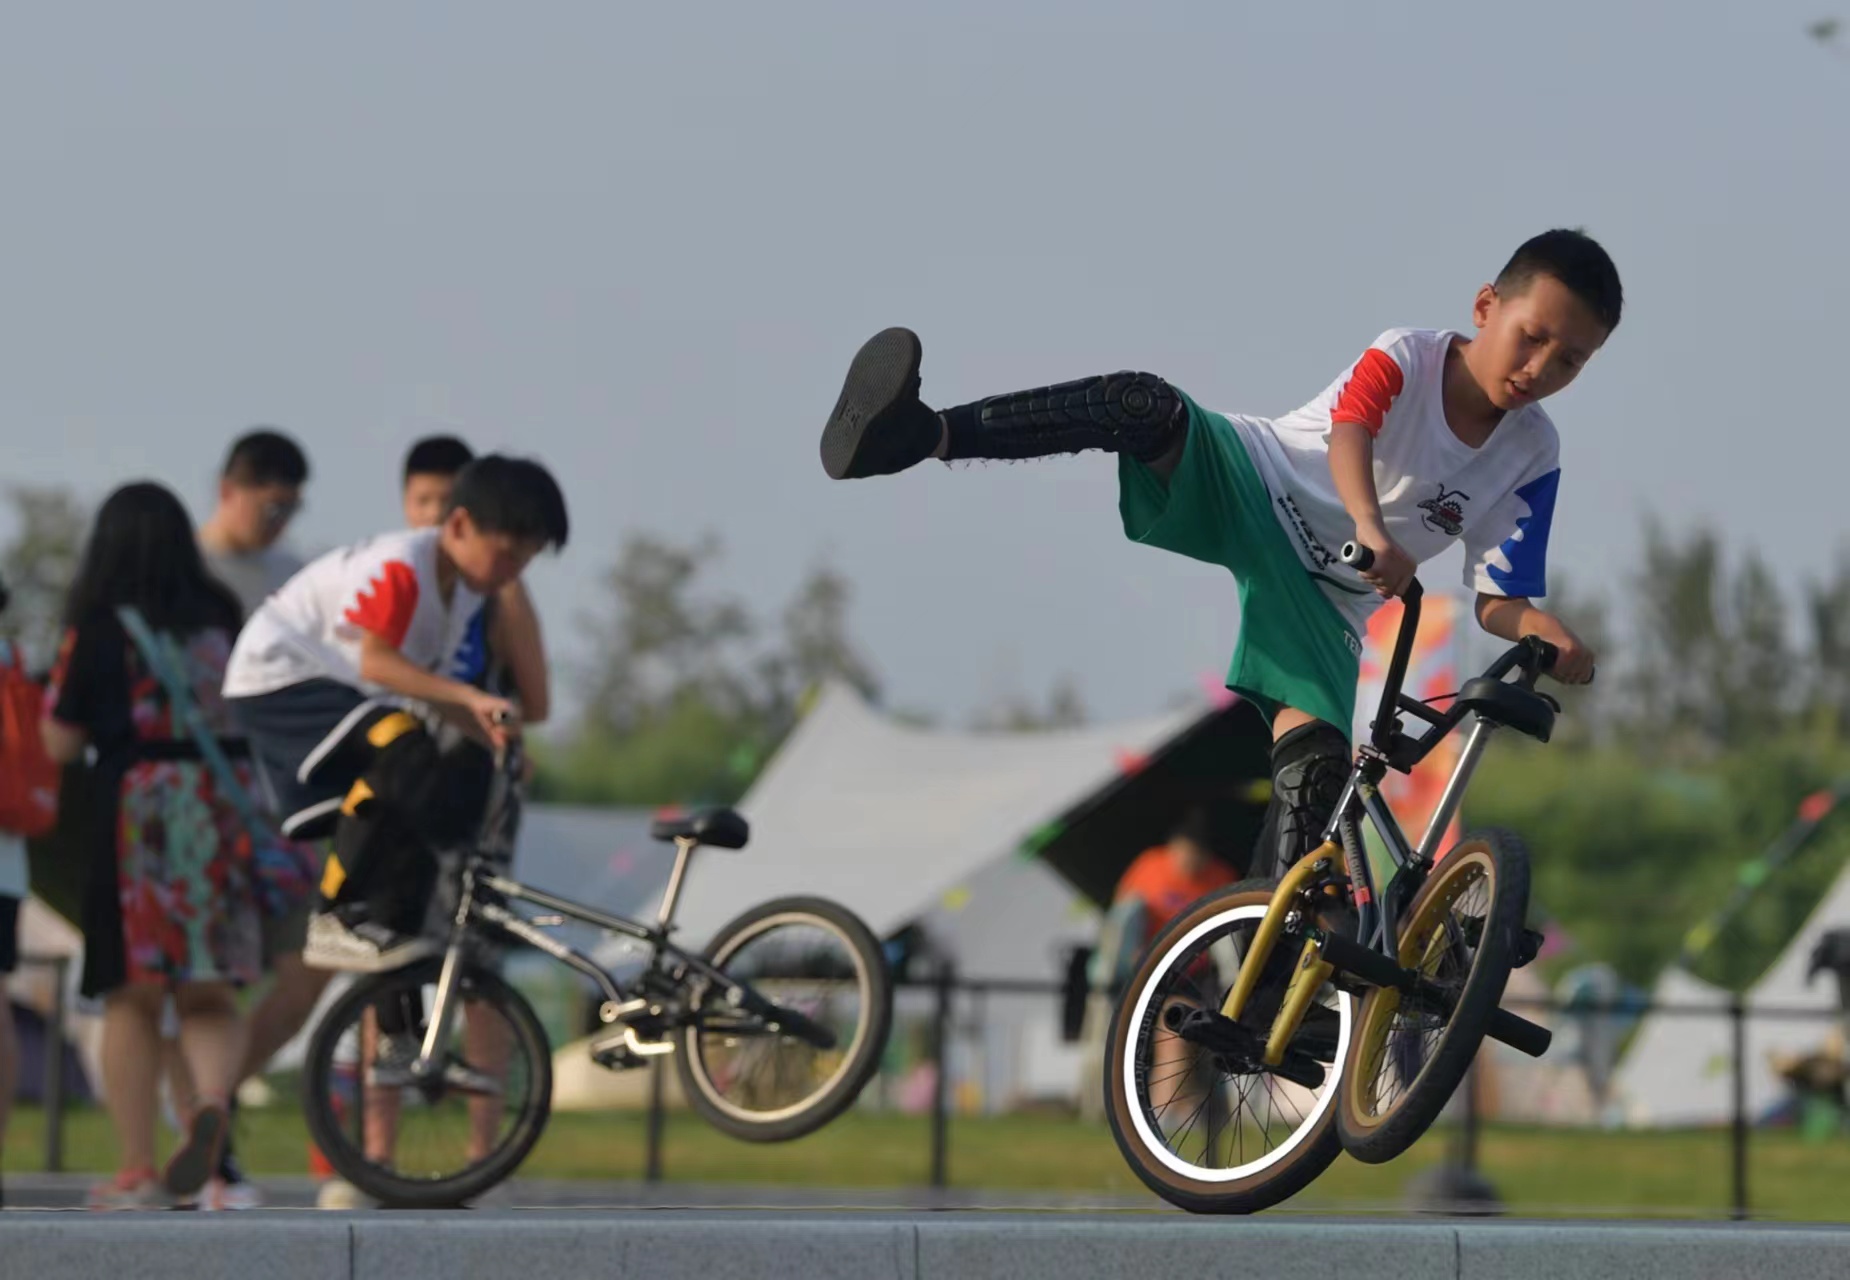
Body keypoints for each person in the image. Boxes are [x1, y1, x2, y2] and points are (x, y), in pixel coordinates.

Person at [817, 229, 1614, 880]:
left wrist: (1544, 628)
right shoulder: (1408, 353)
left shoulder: (1533, 454)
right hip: (1256, 480)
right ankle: (922, 434)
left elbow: (1494, 596)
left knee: (1314, 791)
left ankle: (1255, 1004)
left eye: (1570, 361)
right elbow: (1349, 433)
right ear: (1486, 306)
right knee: (1141, 403)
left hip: (1328, 601)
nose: (1539, 369)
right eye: (1531, 337)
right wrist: (1373, 528)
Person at [223, 455, 568, 972]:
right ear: (458, 525)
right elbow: (376, 661)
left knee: (431, 794)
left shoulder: (468, 598)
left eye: (525, 560)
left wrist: (490, 739)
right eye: (505, 555)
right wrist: (471, 699)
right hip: (278, 676)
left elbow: (429, 693)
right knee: (401, 745)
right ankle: (336, 914)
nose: (511, 573)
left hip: (348, 694)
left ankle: (395, 944)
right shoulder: (404, 564)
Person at [39, 483, 262, 1210]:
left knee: (130, 998)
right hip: (219, 808)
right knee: (210, 989)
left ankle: (136, 1165)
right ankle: (211, 1102)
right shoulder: (223, 615)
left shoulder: (97, 626)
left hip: (136, 811)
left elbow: (60, 740)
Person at [197, 429, 311, 617]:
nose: (281, 522)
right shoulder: (186, 566)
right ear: (226, 490)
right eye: (274, 509)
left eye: (292, 509)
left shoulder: (291, 575)